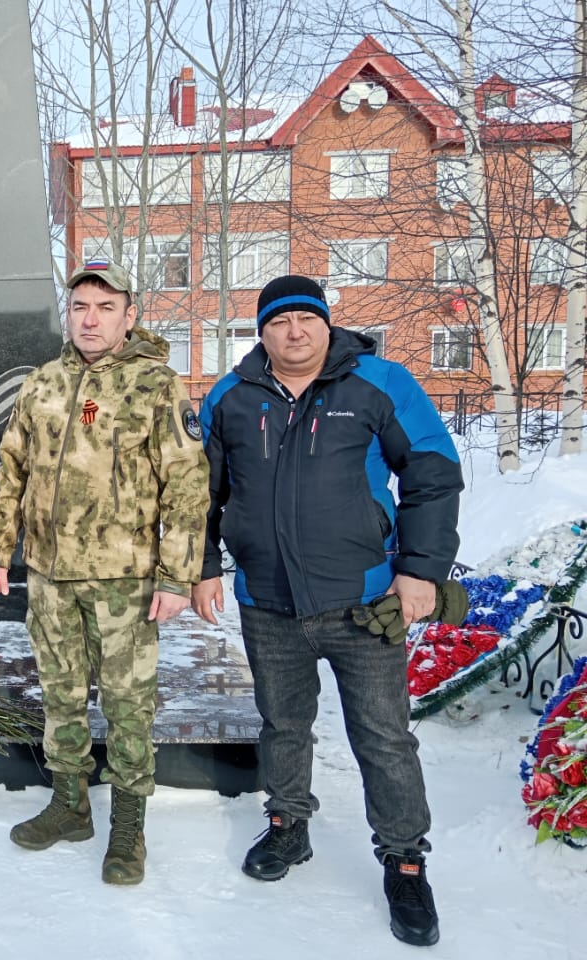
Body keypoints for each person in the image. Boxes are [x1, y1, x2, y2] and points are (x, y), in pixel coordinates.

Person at [192, 274, 464, 948]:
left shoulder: (379, 382)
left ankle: (405, 860)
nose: (294, 332)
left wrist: (420, 570)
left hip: (363, 603)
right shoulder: (230, 397)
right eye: (278, 321)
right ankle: (289, 826)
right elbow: (200, 495)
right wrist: (202, 568)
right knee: (283, 725)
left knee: (384, 736)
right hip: (268, 602)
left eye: (306, 319)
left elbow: (432, 471)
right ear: (261, 331)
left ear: (326, 324)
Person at [0, 259, 209, 885]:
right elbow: (13, 468)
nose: (91, 318)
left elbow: (187, 485)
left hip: (124, 581)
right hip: (50, 576)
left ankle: (128, 828)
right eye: (81, 306)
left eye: (106, 307)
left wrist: (176, 576)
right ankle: (70, 806)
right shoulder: (43, 383)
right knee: (60, 695)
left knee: (128, 704)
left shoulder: (157, 385)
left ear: (128, 316)